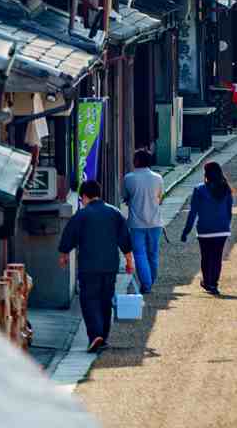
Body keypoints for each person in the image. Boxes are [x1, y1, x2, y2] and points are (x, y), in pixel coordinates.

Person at [58, 179, 133, 353]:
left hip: (89, 266)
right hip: (110, 266)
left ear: (84, 196)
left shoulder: (82, 215)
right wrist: (129, 261)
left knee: (89, 300)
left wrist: (63, 255)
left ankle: (95, 335)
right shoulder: (114, 213)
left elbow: (69, 235)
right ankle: (103, 337)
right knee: (105, 300)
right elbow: (125, 239)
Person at [179, 161, 235, 294]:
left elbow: (193, 212)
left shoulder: (199, 189)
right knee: (217, 257)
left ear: (206, 174)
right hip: (222, 229)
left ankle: (207, 282)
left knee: (206, 256)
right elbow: (229, 211)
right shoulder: (226, 189)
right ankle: (214, 283)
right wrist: (226, 225)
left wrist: (186, 231)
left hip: (205, 230)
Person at [121, 149, 165, 294]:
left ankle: (146, 284)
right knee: (153, 253)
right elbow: (160, 198)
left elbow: (125, 197)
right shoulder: (158, 178)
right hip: (155, 222)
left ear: (136, 161)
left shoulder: (129, 178)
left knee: (139, 253)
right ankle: (151, 280)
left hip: (137, 222)